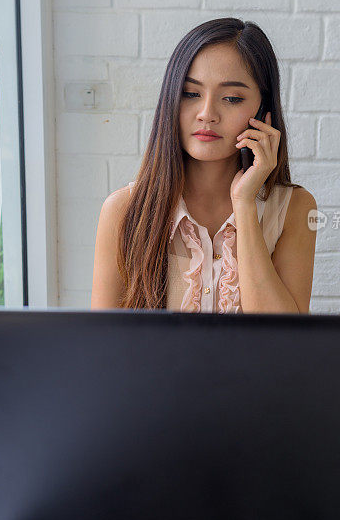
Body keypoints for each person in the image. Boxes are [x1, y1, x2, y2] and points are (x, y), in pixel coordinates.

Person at [91, 17, 317, 313]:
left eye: (232, 98)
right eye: (191, 93)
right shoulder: (124, 210)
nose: (207, 113)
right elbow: (103, 346)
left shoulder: (294, 208)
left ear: (264, 112)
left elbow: (284, 342)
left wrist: (245, 205)